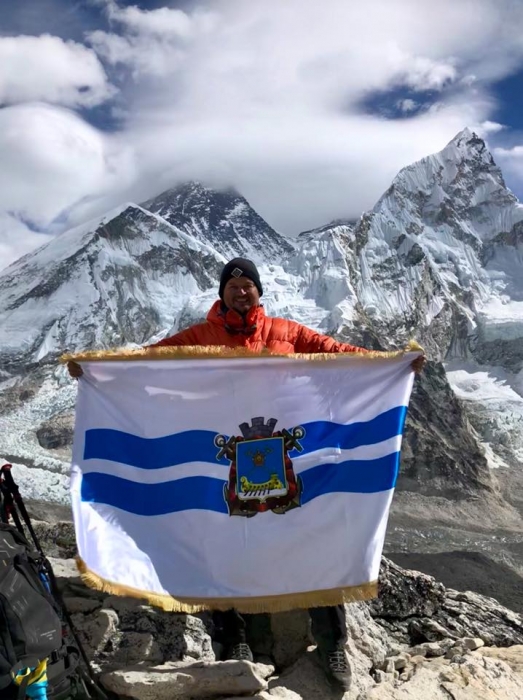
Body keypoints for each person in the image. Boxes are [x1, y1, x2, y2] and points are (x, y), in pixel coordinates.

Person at [68, 257, 425, 689]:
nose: (240, 290)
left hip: (287, 460)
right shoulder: (199, 337)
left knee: (314, 538)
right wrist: (100, 370)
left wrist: (391, 363)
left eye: (248, 284)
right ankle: (233, 644)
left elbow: (338, 354)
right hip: (226, 464)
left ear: (259, 291)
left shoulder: (288, 333)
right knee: (218, 542)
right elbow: (151, 360)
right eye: (232, 284)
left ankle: (333, 643)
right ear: (221, 293)